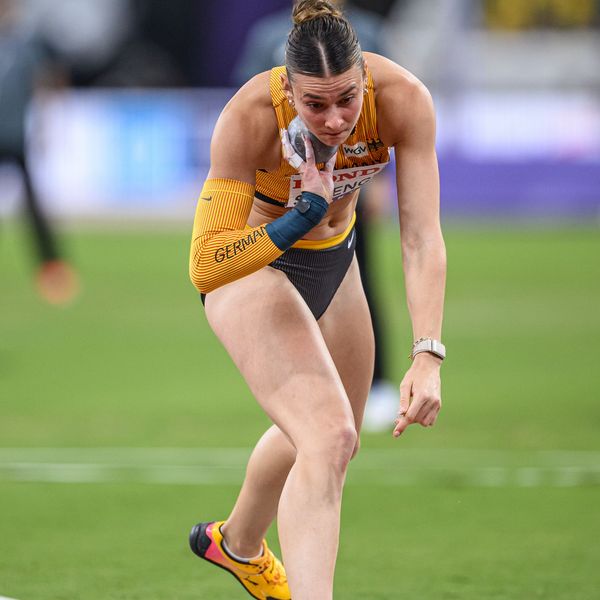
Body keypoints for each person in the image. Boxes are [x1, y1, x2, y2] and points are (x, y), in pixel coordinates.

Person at [187, 1, 446, 598]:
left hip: (337, 260)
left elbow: (420, 236)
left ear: (365, 77)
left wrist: (427, 352)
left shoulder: (403, 99)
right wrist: (299, 216)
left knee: (334, 435)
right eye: (315, 104)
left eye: (347, 99)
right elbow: (207, 264)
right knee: (327, 436)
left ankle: (236, 544)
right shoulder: (250, 115)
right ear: (289, 90)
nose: (334, 120)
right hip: (252, 266)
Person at [232, 0, 400, 433]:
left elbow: (383, 110)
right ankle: (303, 386)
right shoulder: (268, 36)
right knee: (277, 299)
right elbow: (244, 103)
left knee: (364, 278)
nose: (333, 117)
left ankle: (377, 382)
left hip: (345, 195)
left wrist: (380, 181)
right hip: (276, 199)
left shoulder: (367, 35)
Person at [0, 0, 78, 304]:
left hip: (15, 137)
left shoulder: (25, 43)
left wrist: (47, 123)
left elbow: (44, 81)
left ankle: (51, 268)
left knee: (33, 208)